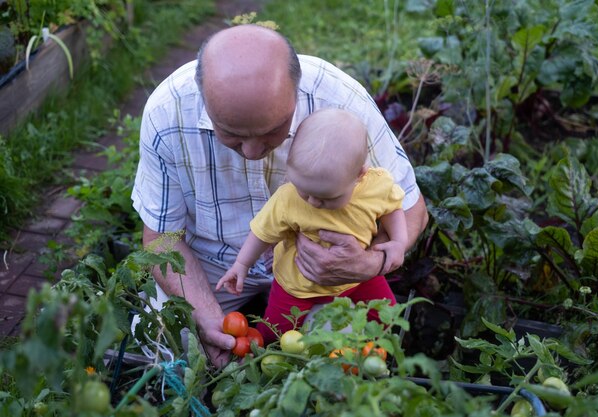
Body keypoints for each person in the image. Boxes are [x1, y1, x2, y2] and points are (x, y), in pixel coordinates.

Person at [131, 24, 429, 367]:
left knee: (336, 359)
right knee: (158, 339)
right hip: (215, 263)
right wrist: (208, 318)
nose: (253, 150)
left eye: (273, 130)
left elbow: (410, 207)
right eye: (230, 134)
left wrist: (367, 263)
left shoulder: (340, 103)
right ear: (204, 100)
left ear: (296, 92)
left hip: (321, 268)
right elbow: (161, 237)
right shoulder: (167, 112)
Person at [215, 108, 408, 341]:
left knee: (387, 315)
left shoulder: (375, 186)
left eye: (327, 198)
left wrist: (398, 242)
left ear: (359, 175)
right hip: (297, 287)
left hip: (358, 277)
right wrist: (241, 264)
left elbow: (392, 208)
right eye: (304, 192)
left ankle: (370, 356)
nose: (313, 202)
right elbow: (262, 232)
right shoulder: (287, 198)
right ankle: (264, 359)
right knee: (275, 333)